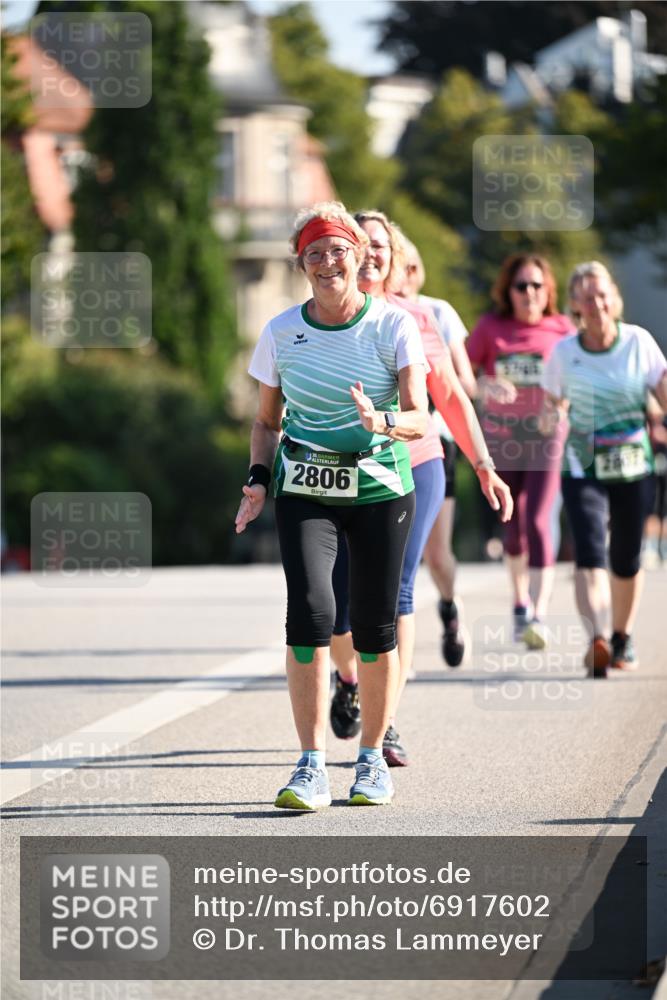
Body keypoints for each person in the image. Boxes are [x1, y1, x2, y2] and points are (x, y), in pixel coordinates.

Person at [235, 201, 430, 808]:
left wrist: (385, 420)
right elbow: (266, 423)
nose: (327, 262)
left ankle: (371, 760)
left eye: (337, 250)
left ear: (358, 256)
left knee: (373, 627)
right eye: (314, 253)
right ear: (302, 264)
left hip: (380, 490)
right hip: (306, 490)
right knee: (311, 616)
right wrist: (258, 479)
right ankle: (311, 764)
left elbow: (423, 416)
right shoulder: (280, 333)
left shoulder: (393, 326)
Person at [329, 212, 513, 766]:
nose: (371, 254)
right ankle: (350, 677)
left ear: (394, 257)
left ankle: (385, 725)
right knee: (339, 603)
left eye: (381, 245)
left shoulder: (416, 318)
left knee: (396, 591)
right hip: (340, 472)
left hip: (416, 464)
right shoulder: (320, 318)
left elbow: (451, 396)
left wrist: (482, 462)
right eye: (361, 244)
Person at [540, 261, 667, 676]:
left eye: (602, 294)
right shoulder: (564, 353)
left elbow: (663, 393)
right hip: (583, 467)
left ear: (614, 299)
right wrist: (552, 418)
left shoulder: (638, 342)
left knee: (626, 557)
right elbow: (548, 410)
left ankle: (621, 636)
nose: (596, 303)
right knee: (590, 552)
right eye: (587, 296)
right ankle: (596, 636)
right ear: (575, 304)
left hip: (634, 466)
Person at [466, 254, 575, 648]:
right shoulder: (491, 328)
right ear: (507, 291)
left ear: (548, 291)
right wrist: (485, 384)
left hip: (546, 438)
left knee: (539, 520)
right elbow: (462, 373)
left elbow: (578, 380)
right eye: (521, 286)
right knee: (513, 527)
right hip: (502, 440)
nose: (529, 293)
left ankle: (539, 613)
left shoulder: (563, 330)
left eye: (536, 285)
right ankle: (519, 601)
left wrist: (560, 407)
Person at [403, 240, 477, 666]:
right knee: (390, 551)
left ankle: (449, 606)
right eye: (403, 266)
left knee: (435, 553)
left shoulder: (438, 312)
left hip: (436, 441)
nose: (408, 273)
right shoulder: (371, 311)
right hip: (385, 443)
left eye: (415, 265)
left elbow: (463, 381)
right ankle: (390, 648)